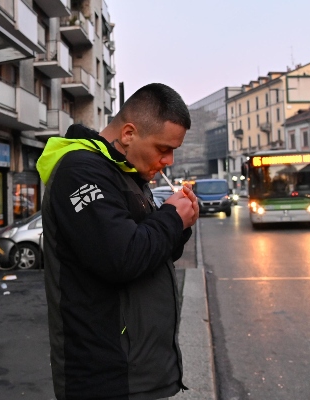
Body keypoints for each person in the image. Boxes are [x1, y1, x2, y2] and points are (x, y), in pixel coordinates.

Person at [36, 83, 199, 400]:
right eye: (163, 149)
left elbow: (153, 253)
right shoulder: (80, 171)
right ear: (128, 134)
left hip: (137, 368)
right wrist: (171, 218)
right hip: (107, 377)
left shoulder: (126, 172)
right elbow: (122, 257)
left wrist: (182, 222)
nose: (169, 161)